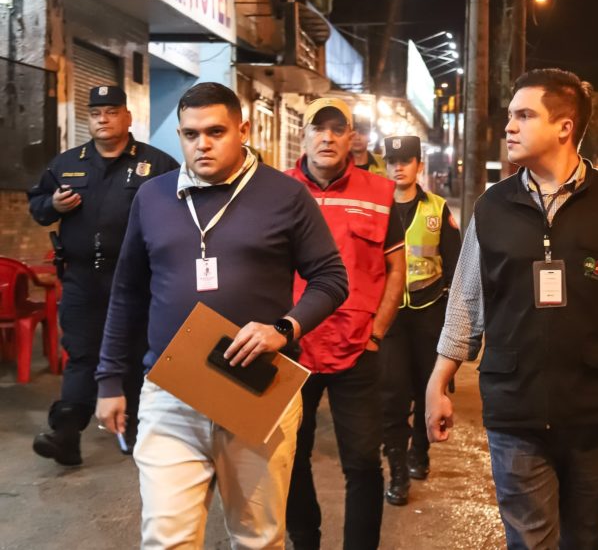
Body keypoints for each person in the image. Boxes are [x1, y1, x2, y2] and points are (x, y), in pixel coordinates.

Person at [425, 68, 598, 549]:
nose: (509, 127)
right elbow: (466, 300)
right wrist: (439, 380)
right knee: (529, 540)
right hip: (514, 402)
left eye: (524, 115)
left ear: (564, 127)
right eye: (510, 116)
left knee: (585, 537)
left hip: (592, 405)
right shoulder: (492, 207)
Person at [95, 82, 348, 549]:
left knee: (258, 540)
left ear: (242, 130)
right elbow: (127, 292)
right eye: (190, 134)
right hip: (171, 393)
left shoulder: (285, 195)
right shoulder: (152, 198)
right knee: (165, 539)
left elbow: (331, 278)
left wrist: (284, 329)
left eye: (216, 132)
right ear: (179, 135)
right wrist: (110, 380)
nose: (202, 145)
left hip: (256, 389)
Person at [27, 85, 178, 466]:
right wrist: (53, 204)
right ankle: (66, 434)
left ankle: (135, 429)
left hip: (138, 281)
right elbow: (38, 206)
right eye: (96, 113)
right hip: (82, 279)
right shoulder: (67, 163)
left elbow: (184, 211)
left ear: (127, 117)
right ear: (89, 119)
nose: (103, 119)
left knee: (137, 352)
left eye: (111, 112)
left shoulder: (157, 164)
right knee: (81, 353)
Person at [284, 97, 407, 550]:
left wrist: (377, 332)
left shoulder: (379, 193)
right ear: (304, 135)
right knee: (291, 456)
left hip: (356, 349)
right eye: (319, 128)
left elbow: (396, 267)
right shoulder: (277, 191)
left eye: (338, 129)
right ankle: (305, 541)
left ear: (352, 137)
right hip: (293, 348)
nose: (328, 138)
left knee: (362, 463)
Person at [379, 135, 461, 506]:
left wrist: (452, 315)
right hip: (389, 315)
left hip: (429, 313)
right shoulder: (377, 207)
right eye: (392, 161)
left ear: (419, 165)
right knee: (392, 395)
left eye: (406, 160)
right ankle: (397, 471)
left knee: (425, 387)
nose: (399, 167)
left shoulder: (437, 208)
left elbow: (455, 265)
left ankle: (420, 452)